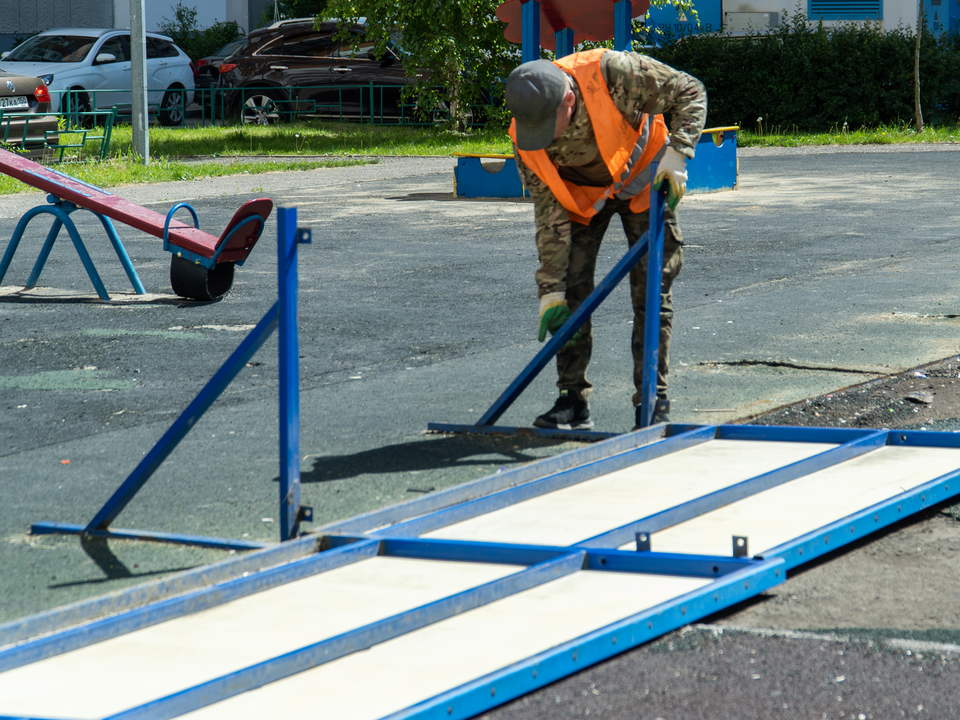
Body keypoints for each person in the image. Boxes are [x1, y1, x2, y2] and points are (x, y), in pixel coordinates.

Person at [504, 48, 706, 430]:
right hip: (584, 200)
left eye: (550, 124)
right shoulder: (526, 136)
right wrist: (550, 290)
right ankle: (572, 400)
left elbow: (690, 91)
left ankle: (652, 400)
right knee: (570, 293)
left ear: (568, 98)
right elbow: (549, 214)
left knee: (651, 291)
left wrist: (679, 153)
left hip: (646, 180)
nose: (545, 137)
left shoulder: (612, 74)